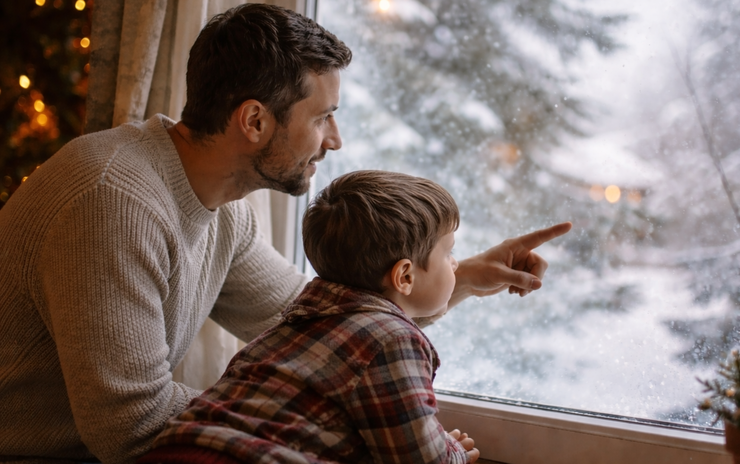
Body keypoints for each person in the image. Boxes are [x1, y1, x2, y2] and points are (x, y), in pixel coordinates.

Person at [0, 4, 571, 464]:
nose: (335, 140)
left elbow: (322, 325)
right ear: (254, 121)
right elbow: (130, 430)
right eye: (323, 117)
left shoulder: (224, 208)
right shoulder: (114, 201)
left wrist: (462, 277)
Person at [138, 170, 480, 464]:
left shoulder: (291, 326)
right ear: (404, 277)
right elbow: (420, 457)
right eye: (448, 252)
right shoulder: (394, 339)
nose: (455, 264)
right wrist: (454, 451)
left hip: (173, 450)